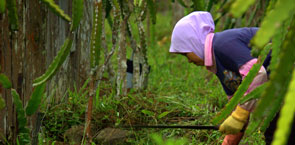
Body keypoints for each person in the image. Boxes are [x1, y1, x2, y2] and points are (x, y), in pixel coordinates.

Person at [169, 11, 295, 145]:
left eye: (185, 53)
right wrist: (229, 139)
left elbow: (258, 73)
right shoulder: (217, 64)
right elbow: (240, 102)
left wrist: (239, 115)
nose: (188, 60)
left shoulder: (222, 44)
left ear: (193, 42)